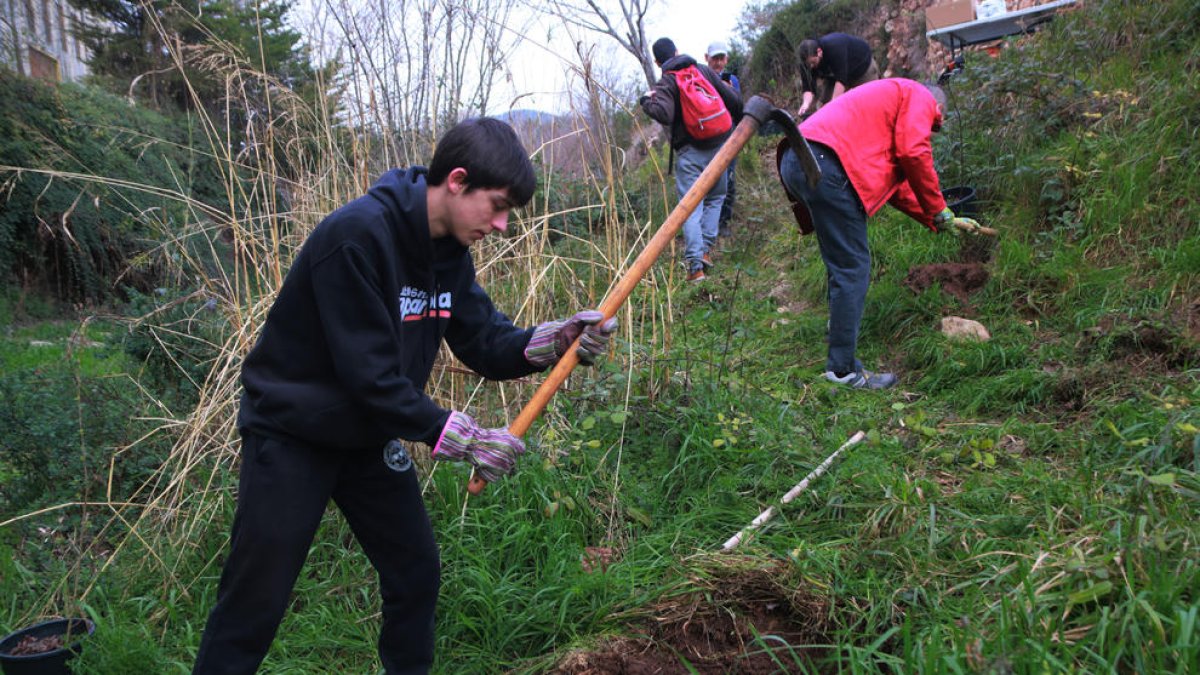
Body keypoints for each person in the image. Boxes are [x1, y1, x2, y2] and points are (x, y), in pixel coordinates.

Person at [192, 118, 618, 674]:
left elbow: (485, 342)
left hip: (365, 438)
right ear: (457, 181)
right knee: (257, 599)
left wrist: (555, 340)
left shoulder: (450, 255)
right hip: (292, 434)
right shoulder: (355, 237)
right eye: (497, 205)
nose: (503, 224)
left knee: (415, 572)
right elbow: (369, 378)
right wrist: (464, 437)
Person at [776, 78, 980, 389]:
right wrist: (939, 208)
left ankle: (839, 334)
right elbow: (914, 152)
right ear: (937, 109)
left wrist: (938, 220)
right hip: (825, 162)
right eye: (932, 126)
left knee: (841, 264)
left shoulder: (888, 106)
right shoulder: (920, 96)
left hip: (797, 157)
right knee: (852, 268)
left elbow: (897, 188)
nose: (929, 130)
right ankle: (843, 371)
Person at [640, 37, 743, 282]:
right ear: (676, 51)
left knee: (691, 208)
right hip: (720, 146)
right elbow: (733, 101)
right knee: (716, 196)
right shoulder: (701, 69)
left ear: (657, 61)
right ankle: (706, 251)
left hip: (691, 154)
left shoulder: (667, 80)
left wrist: (646, 101)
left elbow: (664, 113)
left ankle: (696, 267)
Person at [796, 32, 879, 117]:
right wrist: (805, 105)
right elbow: (808, 89)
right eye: (808, 64)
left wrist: (833, 105)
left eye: (813, 62)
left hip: (862, 68)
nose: (811, 67)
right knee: (824, 106)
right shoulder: (806, 64)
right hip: (834, 76)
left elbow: (841, 81)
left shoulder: (834, 47)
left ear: (819, 52)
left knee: (870, 104)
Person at [705, 40, 741, 241]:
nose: (718, 63)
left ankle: (724, 222)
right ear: (706, 59)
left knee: (729, 177)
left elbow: (739, 107)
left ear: (726, 59)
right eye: (714, 59)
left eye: (721, 58)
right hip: (709, 136)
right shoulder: (701, 79)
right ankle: (708, 222)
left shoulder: (732, 80)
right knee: (709, 178)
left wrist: (730, 91)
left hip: (730, 134)